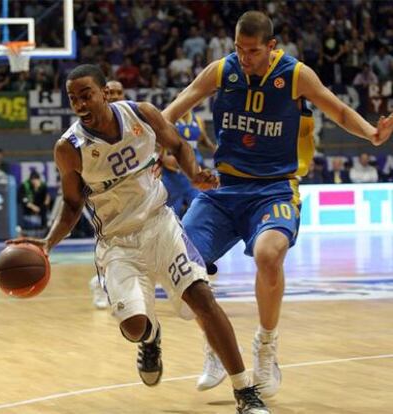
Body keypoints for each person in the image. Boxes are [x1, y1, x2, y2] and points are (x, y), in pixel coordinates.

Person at [8, 64, 269, 414]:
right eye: (73, 99)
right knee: (133, 327)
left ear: (104, 92)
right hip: (117, 243)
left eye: (86, 95)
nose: (80, 104)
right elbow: (72, 203)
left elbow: (177, 144)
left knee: (202, 298)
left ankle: (245, 391)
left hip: (161, 224)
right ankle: (149, 337)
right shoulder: (69, 148)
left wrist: (194, 175)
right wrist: (48, 243)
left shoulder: (141, 114)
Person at [163, 11, 393, 397]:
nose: (244, 57)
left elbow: (336, 109)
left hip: (274, 188)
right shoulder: (222, 70)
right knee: (184, 269)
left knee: (270, 255)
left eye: (252, 50)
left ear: (271, 46)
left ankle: (265, 348)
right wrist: (155, 138)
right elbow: (179, 103)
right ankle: (217, 345)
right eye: (238, 48)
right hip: (224, 186)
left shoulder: (295, 74)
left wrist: (371, 133)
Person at [89, 79, 126, 309]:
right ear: (103, 95)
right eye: (109, 92)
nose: (113, 96)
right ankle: (100, 283)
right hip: (103, 192)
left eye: (118, 92)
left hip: (133, 190)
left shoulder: (135, 118)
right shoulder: (92, 123)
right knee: (108, 242)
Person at [162, 110, 216, 217]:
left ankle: (195, 232)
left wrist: (214, 149)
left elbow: (203, 139)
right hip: (173, 176)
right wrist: (165, 159)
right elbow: (159, 149)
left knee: (200, 210)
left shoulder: (198, 121)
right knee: (171, 215)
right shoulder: (168, 120)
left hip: (194, 175)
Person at [18, 170, 51, 236]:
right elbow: (23, 199)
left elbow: (47, 198)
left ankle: (45, 229)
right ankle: (23, 230)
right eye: (33, 180)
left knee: (45, 210)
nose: (34, 182)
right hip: (28, 208)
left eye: (36, 180)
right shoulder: (24, 185)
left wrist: (44, 204)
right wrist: (33, 207)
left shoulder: (43, 186)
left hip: (39, 207)